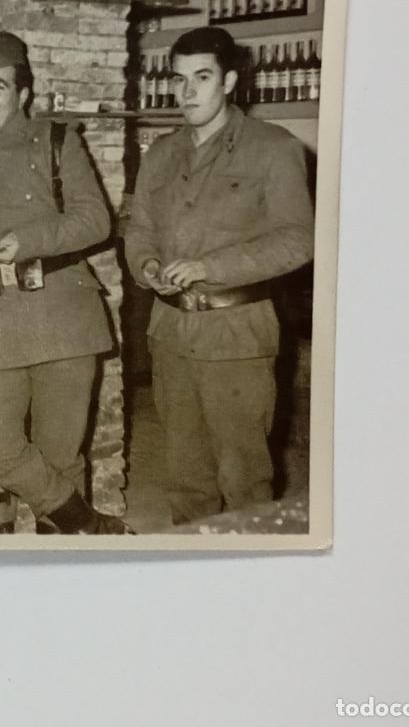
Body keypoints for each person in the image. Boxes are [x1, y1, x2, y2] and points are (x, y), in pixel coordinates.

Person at [0, 31, 131, 535]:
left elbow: (95, 220)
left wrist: (30, 239)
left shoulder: (56, 139)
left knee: (61, 456)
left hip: (61, 311)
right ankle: (84, 523)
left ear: (23, 95)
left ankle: (58, 565)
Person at [123, 26, 315, 525]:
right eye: (179, 79)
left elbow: (299, 238)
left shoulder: (274, 149)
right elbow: (139, 229)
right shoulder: (161, 154)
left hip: (237, 336)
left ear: (230, 81)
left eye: (201, 78)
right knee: (185, 478)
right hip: (170, 334)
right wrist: (146, 267)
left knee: (244, 478)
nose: (187, 92)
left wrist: (210, 269)